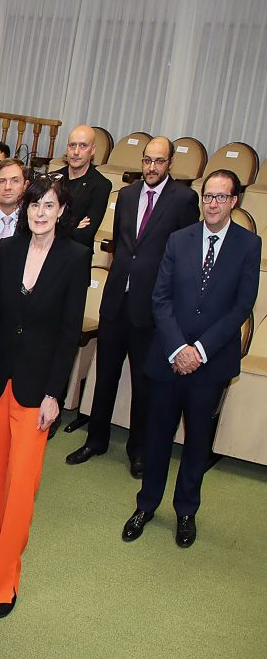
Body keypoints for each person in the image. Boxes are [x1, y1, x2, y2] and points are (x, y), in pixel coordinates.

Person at [0, 178, 87, 615]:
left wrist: (56, 392)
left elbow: (70, 331)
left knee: (20, 488)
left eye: (48, 205)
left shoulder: (75, 258)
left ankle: (4, 579)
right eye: (34, 204)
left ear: (61, 211)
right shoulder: (9, 250)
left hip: (37, 389)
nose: (39, 212)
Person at [129, 170, 259, 549]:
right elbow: (161, 298)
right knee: (157, 437)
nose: (213, 203)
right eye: (208, 196)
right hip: (169, 358)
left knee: (197, 441)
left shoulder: (249, 245)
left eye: (221, 197)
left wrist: (199, 351)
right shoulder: (179, 239)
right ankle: (146, 504)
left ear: (234, 201)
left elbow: (241, 308)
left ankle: (186, 510)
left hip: (211, 363)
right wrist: (178, 349)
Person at [69, 139, 197, 469]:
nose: (152, 167)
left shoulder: (183, 200)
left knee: (144, 383)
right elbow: (124, 248)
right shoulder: (126, 196)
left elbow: (186, 256)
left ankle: (137, 450)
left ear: (170, 164)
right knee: (105, 375)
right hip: (116, 301)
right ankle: (95, 439)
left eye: (159, 161)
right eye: (147, 161)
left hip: (152, 307)